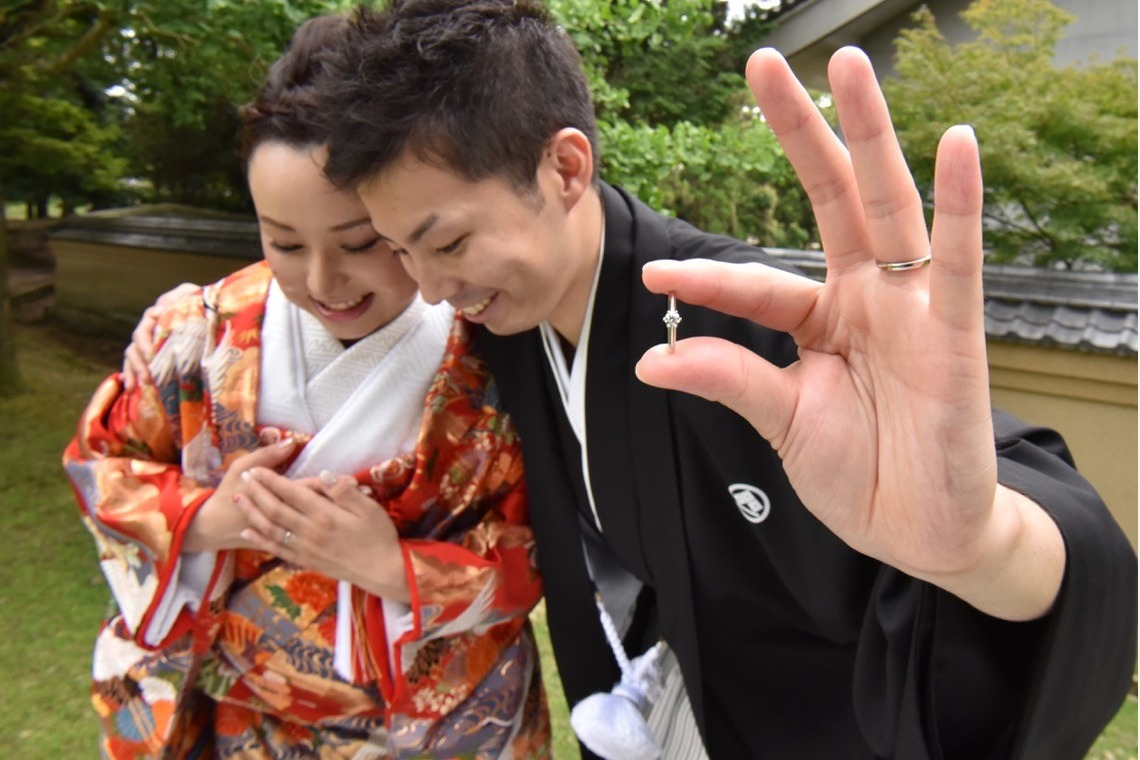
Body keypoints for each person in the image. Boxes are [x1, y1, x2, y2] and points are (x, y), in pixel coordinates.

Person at [123, 2, 1137, 757]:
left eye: (448, 240)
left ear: (565, 168)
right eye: (401, 249)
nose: (429, 288)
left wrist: (981, 541)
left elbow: (1054, 518)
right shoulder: (505, 329)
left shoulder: (740, 322)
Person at [63, 14, 550, 759]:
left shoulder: (496, 353)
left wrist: (391, 566)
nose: (323, 282)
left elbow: (547, 547)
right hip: (245, 726)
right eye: (283, 242)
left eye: (360, 244)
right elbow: (101, 469)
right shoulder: (193, 336)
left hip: (432, 731)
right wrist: (204, 520)